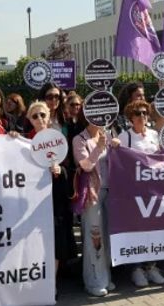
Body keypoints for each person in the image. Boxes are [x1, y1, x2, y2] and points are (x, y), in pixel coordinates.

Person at [112, 100, 164, 287]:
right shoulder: (125, 136)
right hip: (134, 192)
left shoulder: (154, 134)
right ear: (130, 118)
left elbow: (162, 158)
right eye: (138, 114)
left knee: (154, 230)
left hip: (154, 191)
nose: (142, 116)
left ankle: (151, 266)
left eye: (145, 113)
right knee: (136, 230)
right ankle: (136, 269)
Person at [25, 101, 77, 284]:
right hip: (31, 203)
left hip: (55, 200)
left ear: (48, 116)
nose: (39, 119)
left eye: (42, 115)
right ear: (29, 119)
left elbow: (68, 169)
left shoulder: (57, 140)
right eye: (34, 116)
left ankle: (51, 285)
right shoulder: (23, 142)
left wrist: (59, 170)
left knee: (56, 242)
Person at [72, 116, 114, 296]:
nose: (100, 119)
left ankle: (106, 277)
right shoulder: (79, 139)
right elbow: (85, 165)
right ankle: (94, 281)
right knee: (93, 237)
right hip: (92, 194)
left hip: (110, 193)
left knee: (106, 235)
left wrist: (116, 146)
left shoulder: (109, 134)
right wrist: (99, 147)